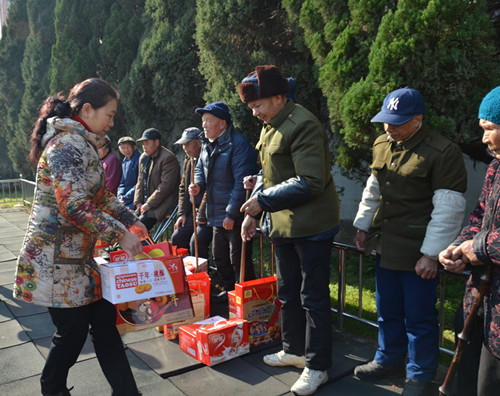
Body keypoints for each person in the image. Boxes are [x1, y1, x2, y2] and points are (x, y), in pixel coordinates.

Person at [13, 78, 147, 396]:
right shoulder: (66, 145)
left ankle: (127, 392)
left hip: (76, 261)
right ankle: (52, 388)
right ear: (87, 110)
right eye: (109, 114)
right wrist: (120, 235)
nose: (112, 122)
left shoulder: (82, 144)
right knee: (72, 334)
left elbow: (100, 197)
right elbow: (72, 204)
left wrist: (131, 221)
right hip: (53, 262)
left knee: (103, 322)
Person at [352, 87, 467, 395]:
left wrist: (431, 254)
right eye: (386, 121)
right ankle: (388, 359)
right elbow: (373, 189)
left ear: (418, 119)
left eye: (398, 122)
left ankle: (419, 374)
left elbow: (449, 208)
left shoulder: (442, 152)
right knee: (387, 309)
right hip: (386, 245)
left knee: (419, 317)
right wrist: (363, 226)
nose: (389, 128)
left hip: (418, 250)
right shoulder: (382, 143)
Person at [238, 65, 340, 396]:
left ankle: (317, 365)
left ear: (280, 97)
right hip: (282, 224)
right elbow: (270, 173)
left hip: (311, 225)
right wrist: (255, 204)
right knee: (287, 291)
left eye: (259, 105)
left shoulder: (303, 124)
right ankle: (293, 349)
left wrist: (261, 201)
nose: (255, 113)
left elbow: (310, 181)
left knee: (313, 297)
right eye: (252, 107)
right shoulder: (272, 125)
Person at [439, 86, 500, 396]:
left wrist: (477, 248)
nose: (485, 139)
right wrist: (458, 248)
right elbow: (479, 216)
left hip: (499, 321)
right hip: (480, 302)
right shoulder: (495, 167)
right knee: (466, 378)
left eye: (490, 129)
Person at [189, 101, 257, 295]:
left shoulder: (239, 144)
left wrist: (232, 213)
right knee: (220, 257)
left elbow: (240, 183)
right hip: (216, 212)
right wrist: (198, 185)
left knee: (239, 260)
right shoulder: (207, 144)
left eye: (208, 121)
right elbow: (201, 169)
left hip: (234, 215)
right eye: (203, 121)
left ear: (222, 123)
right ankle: (229, 293)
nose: (204, 125)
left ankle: (245, 297)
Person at [171, 127, 212, 259]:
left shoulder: (209, 158)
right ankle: (183, 271)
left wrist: (201, 215)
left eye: (187, 144)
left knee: (196, 240)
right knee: (177, 236)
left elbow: (211, 188)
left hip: (209, 212)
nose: (185, 148)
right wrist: (182, 213)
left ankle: (202, 273)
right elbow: (183, 188)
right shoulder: (189, 160)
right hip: (192, 212)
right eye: (183, 145)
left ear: (199, 142)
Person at [134, 127, 180, 231]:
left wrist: (149, 204)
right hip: (146, 204)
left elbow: (166, 186)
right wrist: (137, 202)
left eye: (147, 143)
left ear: (157, 142)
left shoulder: (168, 158)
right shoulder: (143, 157)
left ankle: (142, 247)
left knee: (139, 226)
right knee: (128, 222)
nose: (144, 147)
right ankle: (117, 247)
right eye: (143, 144)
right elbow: (140, 181)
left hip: (162, 204)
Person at [117, 136, 141, 210]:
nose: (126, 150)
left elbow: (140, 183)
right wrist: (120, 196)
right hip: (125, 198)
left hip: (137, 197)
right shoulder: (125, 160)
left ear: (134, 147)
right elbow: (122, 183)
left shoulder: (140, 159)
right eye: (123, 148)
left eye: (128, 147)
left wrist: (125, 198)